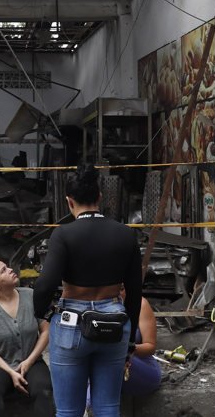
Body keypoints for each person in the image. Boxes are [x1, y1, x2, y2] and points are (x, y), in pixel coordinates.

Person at [33, 164, 143, 417]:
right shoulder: (125, 234)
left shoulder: (63, 235)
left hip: (71, 322)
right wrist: (128, 343)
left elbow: (45, 284)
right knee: (107, 408)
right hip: (114, 321)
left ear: (69, 202)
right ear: (100, 198)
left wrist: (45, 313)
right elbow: (135, 292)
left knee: (69, 410)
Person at [0, 259, 53, 417]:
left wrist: (29, 361)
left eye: (7, 267)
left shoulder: (31, 296)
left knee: (44, 390)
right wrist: (11, 372)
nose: (10, 270)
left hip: (32, 362)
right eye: (3, 270)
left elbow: (46, 331)